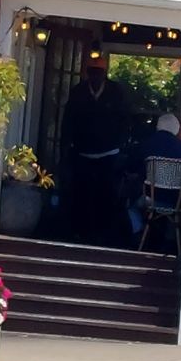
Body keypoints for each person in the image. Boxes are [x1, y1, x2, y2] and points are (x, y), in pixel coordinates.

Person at [61, 56, 129, 245]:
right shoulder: (79, 92)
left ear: (105, 74)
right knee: (81, 194)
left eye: (99, 72)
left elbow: (125, 120)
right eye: (93, 72)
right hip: (83, 153)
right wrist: (67, 145)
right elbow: (68, 120)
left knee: (106, 196)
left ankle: (104, 234)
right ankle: (80, 232)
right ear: (87, 73)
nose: (96, 76)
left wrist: (121, 144)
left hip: (109, 154)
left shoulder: (116, 92)